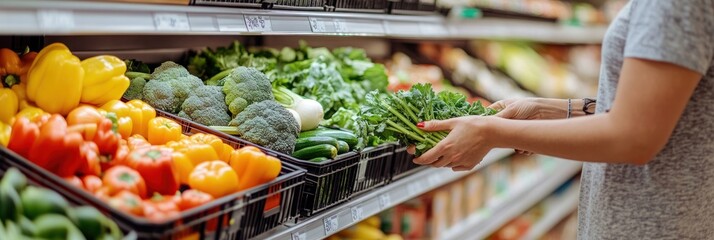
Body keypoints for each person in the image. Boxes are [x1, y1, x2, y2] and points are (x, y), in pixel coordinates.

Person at [409, 1, 714, 239]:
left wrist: (493, 132)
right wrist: (550, 109)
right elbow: (654, 109)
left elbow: (633, 137)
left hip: (655, 225)